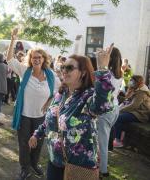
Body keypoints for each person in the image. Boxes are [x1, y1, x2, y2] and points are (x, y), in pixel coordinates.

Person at [28, 45, 115, 180]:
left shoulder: (88, 96)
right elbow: (50, 120)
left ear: (83, 72)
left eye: (69, 68)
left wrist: (103, 69)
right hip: (55, 161)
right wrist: (37, 134)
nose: (64, 71)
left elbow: (103, 104)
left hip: (79, 165)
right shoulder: (60, 94)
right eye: (63, 67)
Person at [7, 28, 60, 180]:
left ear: (43, 59)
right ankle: (25, 168)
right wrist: (13, 39)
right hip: (24, 115)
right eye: (34, 57)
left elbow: (59, 91)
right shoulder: (25, 71)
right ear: (30, 59)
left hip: (42, 116)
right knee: (24, 143)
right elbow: (10, 59)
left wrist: (49, 102)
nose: (36, 59)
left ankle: (34, 164)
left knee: (38, 141)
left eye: (39, 57)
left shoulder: (51, 76)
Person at [97, 47, 123, 177]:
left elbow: (101, 92)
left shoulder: (107, 74)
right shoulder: (119, 73)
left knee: (102, 142)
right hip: (114, 109)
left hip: (106, 111)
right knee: (103, 140)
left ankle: (103, 171)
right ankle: (100, 167)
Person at [113, 75, 150, 147]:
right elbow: (127, 101)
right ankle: (120, 138)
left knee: (118, 118)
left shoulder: (142, 92)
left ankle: (118, 141)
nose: (130, 82)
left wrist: (120, 110)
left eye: (132, 81)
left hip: (141, 114)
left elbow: (134, 105)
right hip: (135, 112)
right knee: (119, 117)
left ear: (137, 82)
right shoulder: (136, 90)